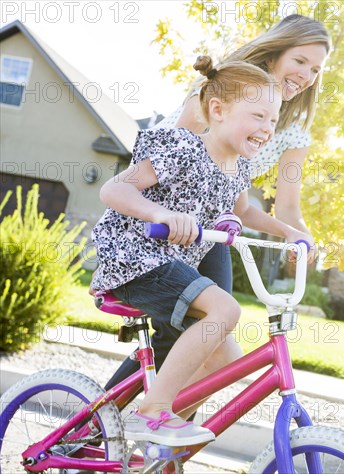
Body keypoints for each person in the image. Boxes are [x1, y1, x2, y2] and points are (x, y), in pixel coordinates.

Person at [103, 14, 331, 395]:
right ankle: (106, 421)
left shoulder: (294, 127)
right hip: (161, 220)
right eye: (300, 60)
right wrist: (161, 217)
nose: (306, 74)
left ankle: (165, 449)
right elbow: (173, 164)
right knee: (185, 326)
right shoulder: (222, 89)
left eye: (316, 69)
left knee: (219, 348)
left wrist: (298, 238)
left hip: (212, 225)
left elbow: (281, 205)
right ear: (277, 51)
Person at [91, 57, 286, 446]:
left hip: (170, 265)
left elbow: (244, 211)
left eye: (274, 120)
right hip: (134, 259)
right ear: (217, 110)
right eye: (259, 116)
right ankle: (153, 411)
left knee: (225, 357)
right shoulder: (182, 146)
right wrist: (160, 212)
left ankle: (154, 447)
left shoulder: (238, 167)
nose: (267, 128)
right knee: (225, 310)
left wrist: (290, 232)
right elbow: (113, 189)